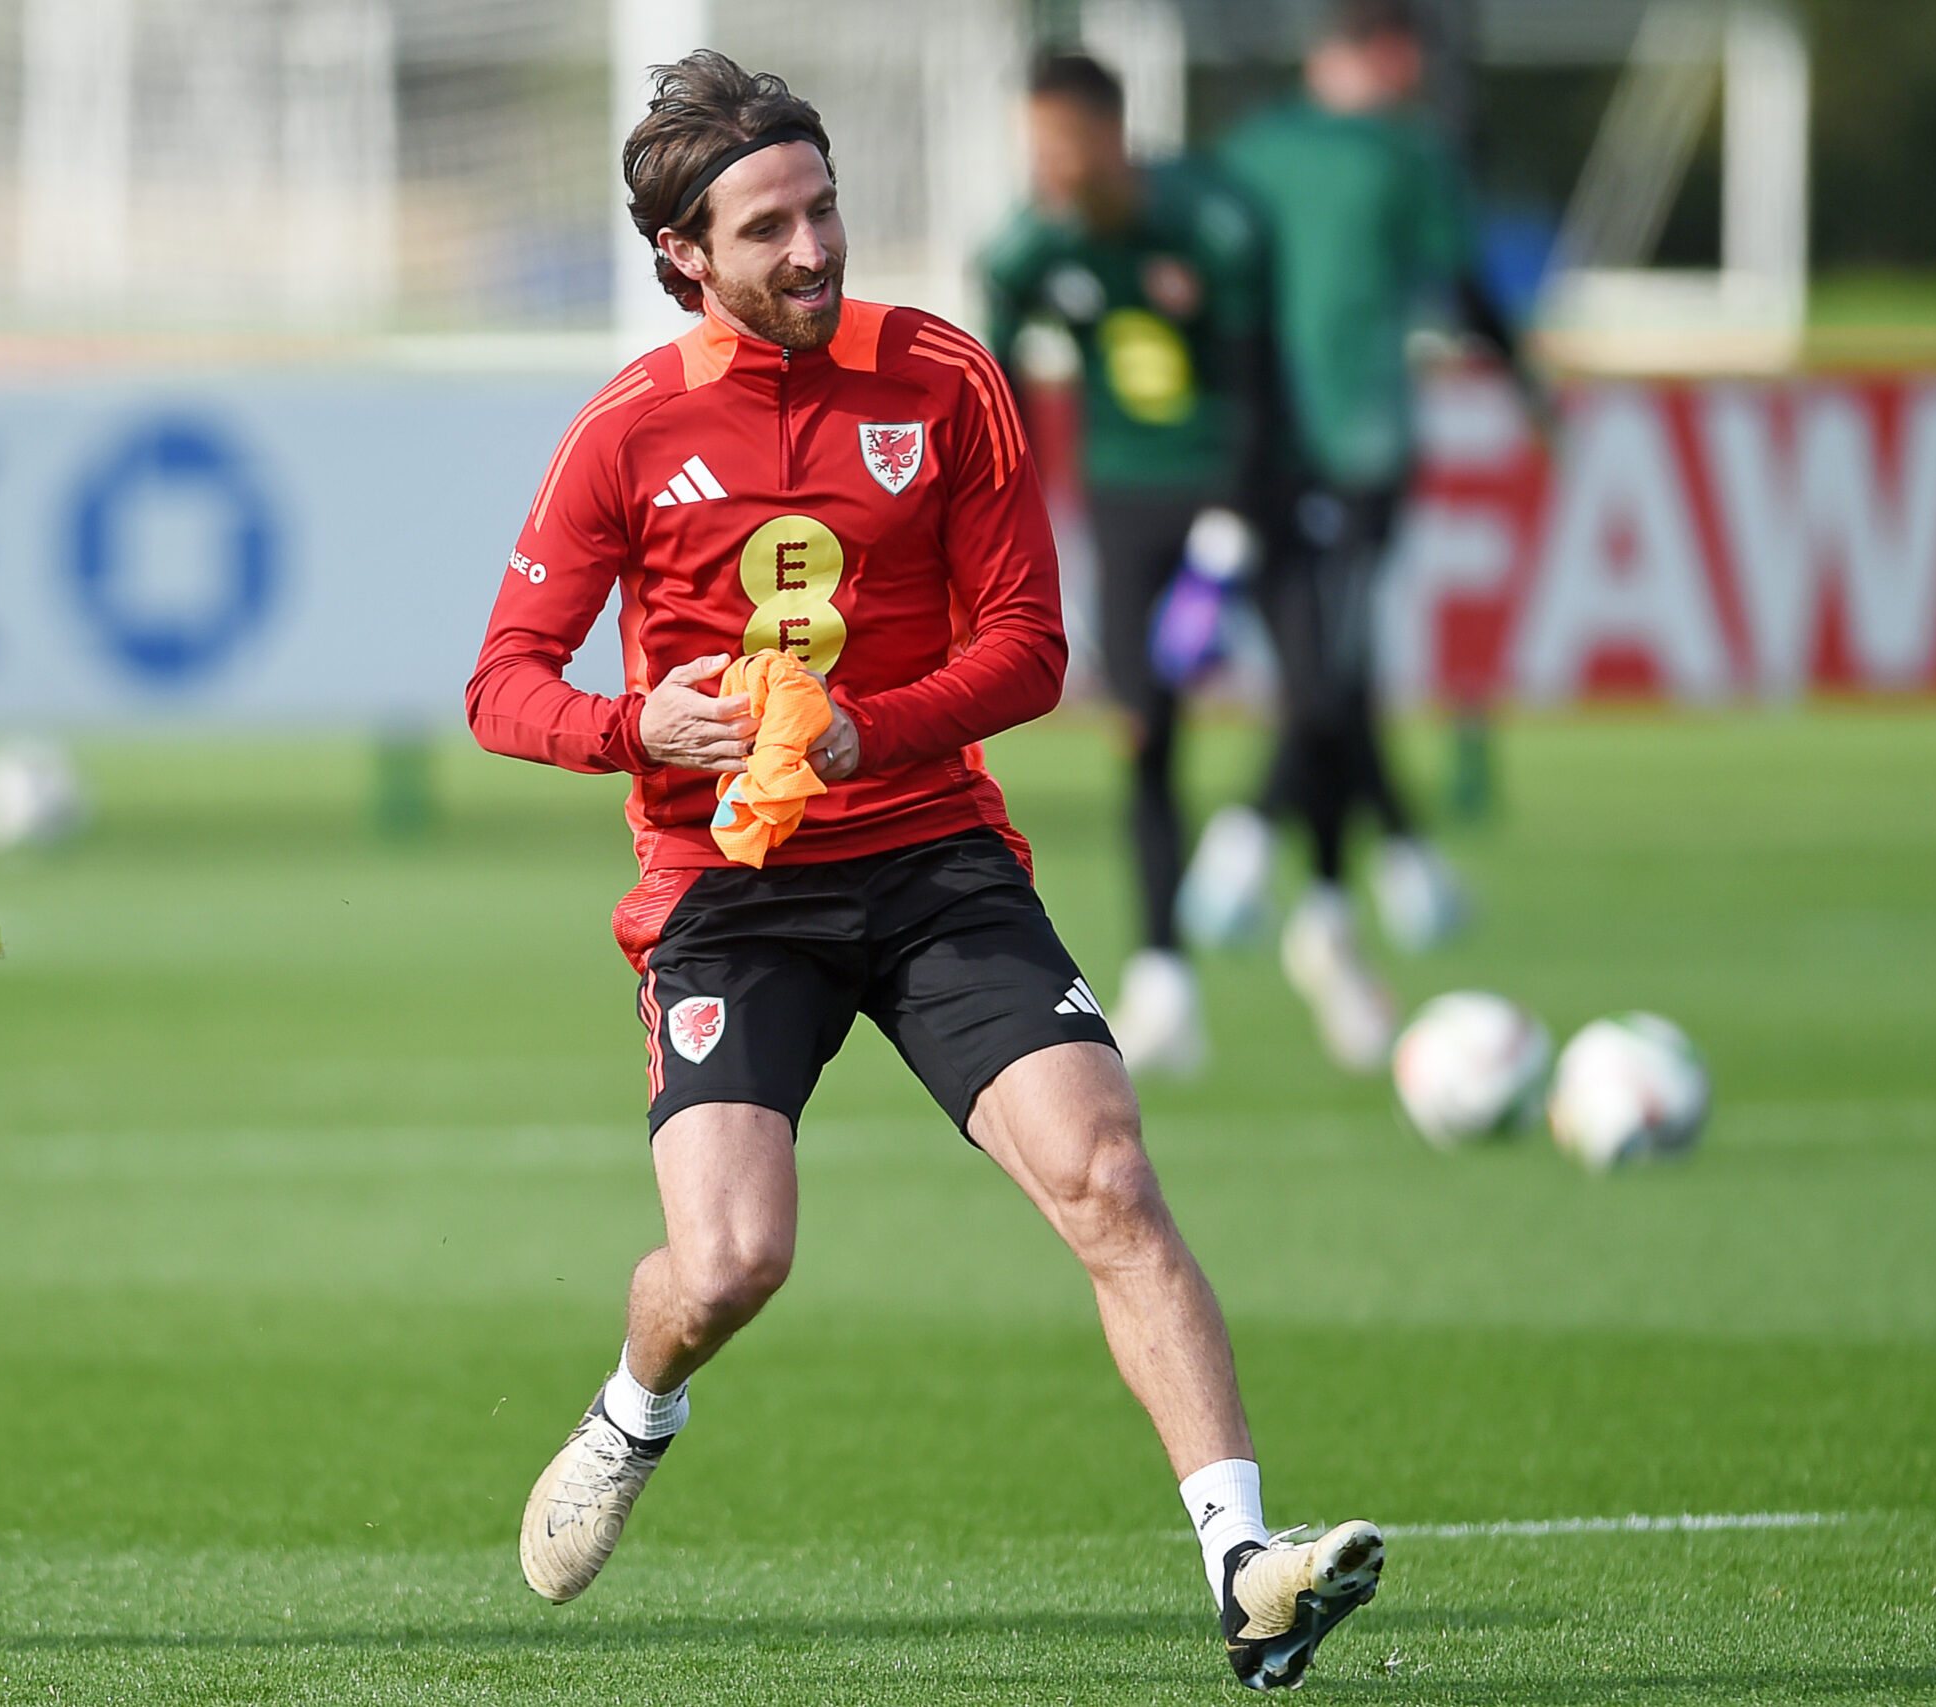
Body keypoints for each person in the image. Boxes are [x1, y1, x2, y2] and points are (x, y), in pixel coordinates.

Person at [466, 49, 1382, 1690]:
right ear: (687, 255)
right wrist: (636, 727)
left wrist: (860, 735)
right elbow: (502, 683)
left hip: (933, 858)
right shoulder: (628, 432)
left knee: (1107, 1173)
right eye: (770, 229)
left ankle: (1245, 1561)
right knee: (734, 1261)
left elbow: (1033, 651)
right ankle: (636, 1404)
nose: (815, 250)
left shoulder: (945, 376)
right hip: (728, 891)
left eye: (824, 209)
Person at [1184, 0, 1542, 1071]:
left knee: (1331, 665)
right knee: (1329, 668)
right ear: (1388, 52)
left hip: (1249, 450)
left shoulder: (1246, 155)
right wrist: (1526, 384)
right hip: (1356, 446)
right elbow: (1469, 287)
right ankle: (1259, 848)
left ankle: (1351, 893)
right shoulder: (1404, 155)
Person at [979, 52, 1272, 1079]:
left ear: (1109, 134)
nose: (1046, 166)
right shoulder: (1025, 250)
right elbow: (997, 393)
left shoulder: (1211, 221)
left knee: (1326, 693)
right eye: (1034, 147)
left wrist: (1237, 513)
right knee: (1144, 728)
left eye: (1060, 144)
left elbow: (1257, 373)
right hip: (1128, 502)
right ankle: (1163, 974)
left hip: (1245, 487)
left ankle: (1265, 843)